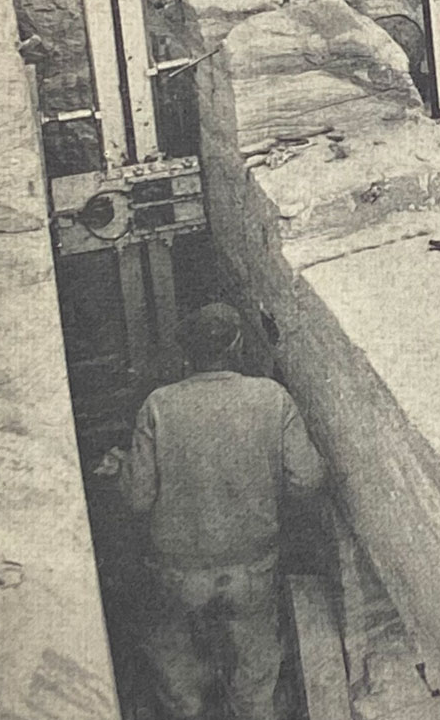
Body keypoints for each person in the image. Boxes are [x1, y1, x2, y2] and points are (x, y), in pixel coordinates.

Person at [96, 303, 324, 720]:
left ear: (187, 354)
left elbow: (138, 498)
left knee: (180, 679)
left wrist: (122, 468)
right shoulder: (271, 398)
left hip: (178, 572)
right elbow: (308, 477)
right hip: (251, 568)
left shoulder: (159, 405)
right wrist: (263, 489)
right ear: (237, 345)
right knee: (256, 681)